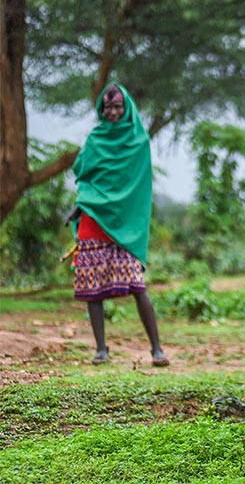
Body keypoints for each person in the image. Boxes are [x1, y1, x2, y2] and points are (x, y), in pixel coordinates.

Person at [68, 83, 168, 367]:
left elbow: (138, 186)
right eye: (107, 107)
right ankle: (101, 349)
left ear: (127, 109)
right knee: (92, 287)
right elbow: (84, 177)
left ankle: (157, 349)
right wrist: (80, 205)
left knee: (138, 286)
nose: (112, 112)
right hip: (92, 221)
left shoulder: (138, 142)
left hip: (125, 226)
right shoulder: (95, 138)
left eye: (117, 107)